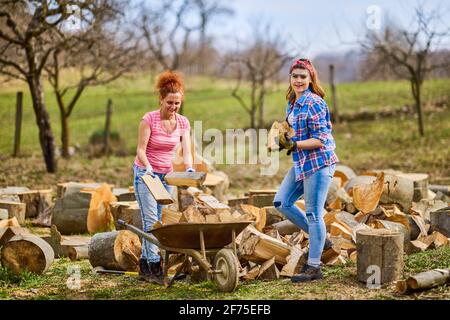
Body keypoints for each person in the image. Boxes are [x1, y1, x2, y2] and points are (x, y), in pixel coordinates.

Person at [274, 58, 339, 283]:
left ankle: (314, 267)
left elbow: (320, 139)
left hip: (319, 162)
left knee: (313, 213)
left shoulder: (315, 103)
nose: (299, 80)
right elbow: (293, 131)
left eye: (303, 76)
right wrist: (282, 139)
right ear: (290, 79)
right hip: (301, 162)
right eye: (295, 76)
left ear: (310, 79)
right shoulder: (292, 102)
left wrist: (294, 145)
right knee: (281, 202)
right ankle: (321, 239)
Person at [133, 70, 194, 283]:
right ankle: (154, 266)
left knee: (161, 219)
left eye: (177, 103)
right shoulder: (148, 120)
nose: (173, 107)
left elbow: (186, 150)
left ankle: (144, 268)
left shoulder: (183, 122)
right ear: (161, 99)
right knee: (150, 220)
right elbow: (141, 150)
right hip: (146, 174)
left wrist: (188, 168)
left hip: (166, 176)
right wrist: (148, 167)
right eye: (169, 103)